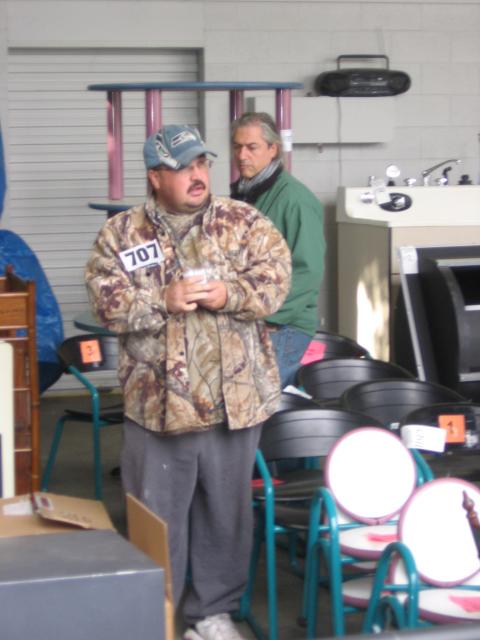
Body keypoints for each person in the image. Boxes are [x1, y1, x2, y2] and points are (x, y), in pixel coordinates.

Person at [85, 124, 291, 640]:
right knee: (156, 518)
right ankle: (156, 616)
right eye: (182, 168)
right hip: (158, 405)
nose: (197, 175)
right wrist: (162, 300)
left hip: (234, 401)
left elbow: (276, 279)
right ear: (156, 177)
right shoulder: (122, 234)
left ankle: (212, 614)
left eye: (201, 164)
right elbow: (104, 300)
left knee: (226, 516)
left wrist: (231, 294)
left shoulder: (243, 221)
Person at [231, 112, 326, 388]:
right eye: (237, 147)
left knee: (257, 398)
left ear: (273, 149)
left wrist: (270, 317)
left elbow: (308, 271)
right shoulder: (247, 194)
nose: (242, 155)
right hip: (252, 319)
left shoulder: (295, 200)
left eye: (252, 147)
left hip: (283, 326)